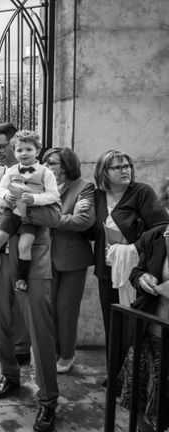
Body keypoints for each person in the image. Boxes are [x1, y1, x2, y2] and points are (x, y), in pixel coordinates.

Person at [0, 122, 58, 432]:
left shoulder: (45, 172)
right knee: (0, 322)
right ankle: (10, 376)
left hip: (32, 257)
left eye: (1, 146)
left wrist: (24, 205)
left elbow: (54, 216)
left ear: (18, 144)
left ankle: (49, 399)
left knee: (40, 329)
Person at [90, 150, 169, 368]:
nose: (125, 170)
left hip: (136, 270)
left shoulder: (141, 192)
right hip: (106, 268)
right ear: (104, 172)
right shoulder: (97, 196)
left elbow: (161, 226)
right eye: (118, 167)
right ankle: (114, 374)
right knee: (112, 322)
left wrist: (133, 247)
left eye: (127, 166)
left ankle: (131, 377)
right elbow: (90, 230)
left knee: (133, 325)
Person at [0, 131, 61, 291]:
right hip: (12, 212)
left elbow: (53, 195)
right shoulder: (11, 171)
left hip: (31, 214)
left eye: (28, 149)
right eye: (19, 150)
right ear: (14, 152)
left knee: (25, 245)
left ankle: (22, 279)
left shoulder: (46, 173)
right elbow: (0, 189)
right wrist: (7, 194)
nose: (24, 153)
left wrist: (35, 199)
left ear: (37, 150)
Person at [116, 182, 169, 431]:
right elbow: (137, 271)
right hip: (150, 331)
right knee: (142, 402)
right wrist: (143, 278)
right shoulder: (157, 236)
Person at [42, 147, 96, 374]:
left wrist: (51, 220)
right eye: (44, 163)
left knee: (66, 308)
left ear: (65, 166)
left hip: (72, 257)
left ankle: (67, 354)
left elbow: (84, 220)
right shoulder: (44, 187)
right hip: (45, 256)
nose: (46, 168)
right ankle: (52, 351)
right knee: (49, 307)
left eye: (51, 163)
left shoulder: (84, 187)